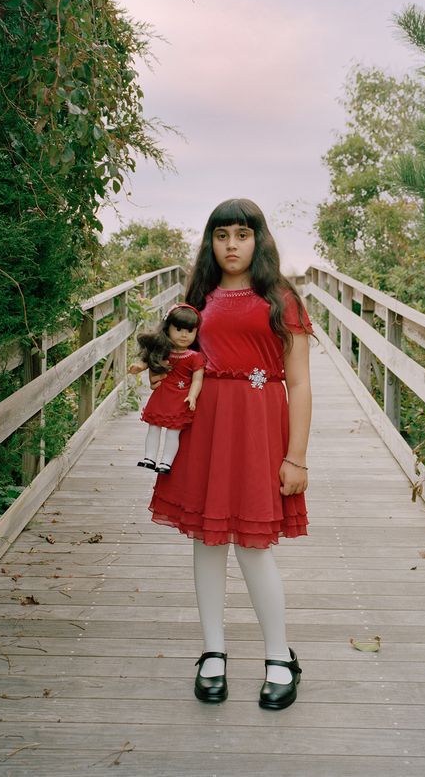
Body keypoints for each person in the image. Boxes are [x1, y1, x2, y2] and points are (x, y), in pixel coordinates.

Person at [147, 198, 312, 710]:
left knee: (254, 546)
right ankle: (213, 652)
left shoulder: (280, 299)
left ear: (258, 239)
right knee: (207, 540)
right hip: (205, 429)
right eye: (222, 236)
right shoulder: (198, 298)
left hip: (260, 429)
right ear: (210, 242)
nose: (232, 245)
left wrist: (297, 456)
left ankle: (278, 655)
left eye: (242, 234)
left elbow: (301, 382)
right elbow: (176, 358)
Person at [127, 304, 205, 474]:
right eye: (178, 329)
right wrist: (139, 367)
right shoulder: (163, 350)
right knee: (154, 427)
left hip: (180, 398)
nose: (184, 335)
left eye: (190, 331)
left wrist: (192, 396)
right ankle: (149, 457)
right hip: (162, 395)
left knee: (173, 432)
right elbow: (147, 360)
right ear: (167, 328)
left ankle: (166, 462)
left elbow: (197, 379)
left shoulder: (195, 357)